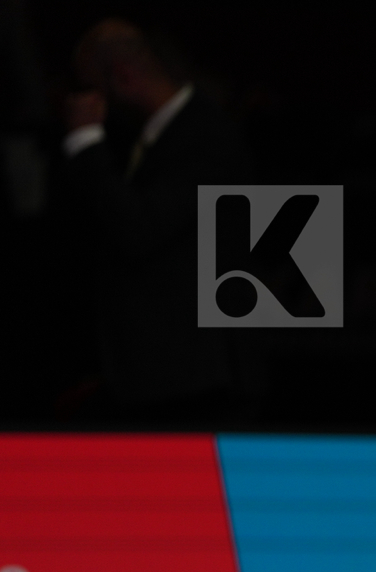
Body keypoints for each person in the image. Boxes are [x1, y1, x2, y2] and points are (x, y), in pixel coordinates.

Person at [59, 18, 252, 418]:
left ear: (125, 77)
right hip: (149, 375)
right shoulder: (147, 139)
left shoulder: (206, 135)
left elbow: (140, 229)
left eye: (90, 89)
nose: (86, 103)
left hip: (189, 381)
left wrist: (85, 142)